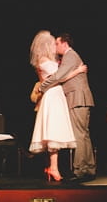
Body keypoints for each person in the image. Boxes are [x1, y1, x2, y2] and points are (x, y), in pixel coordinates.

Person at [28, 30, 87, 182]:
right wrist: (77, 71)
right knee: (53, 133)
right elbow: (58, 78)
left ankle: (51, 167)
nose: (55, 46)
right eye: (52, 44)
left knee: (53, 132)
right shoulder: (44, 61)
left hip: (56, 95)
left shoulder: (46, 60)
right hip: (53, 95)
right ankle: (53, 168)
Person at [39, 31, 96, 183]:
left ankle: (80, 170)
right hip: (78, 98)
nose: (55, 47)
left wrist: (41, 87)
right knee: (83, 134)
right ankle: (88, 168)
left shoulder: (70, 55)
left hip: (77, 98)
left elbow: (59, 76)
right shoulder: (70, 57)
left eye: (57, 43)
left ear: (65, 43)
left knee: (79, 134)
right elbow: (63, 76)